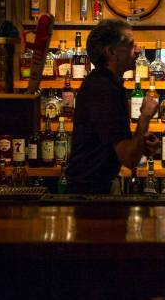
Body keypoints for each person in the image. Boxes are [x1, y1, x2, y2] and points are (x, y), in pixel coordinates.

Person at [66, 20, 159, 193]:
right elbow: (129, 159)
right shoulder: (104, 90)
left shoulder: (104, 84)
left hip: (90, 188)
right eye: (131, 45)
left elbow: (109, 143)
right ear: (111, 52)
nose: (138, 50)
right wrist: (145, 117)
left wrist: (142, 145)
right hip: (90, 195)